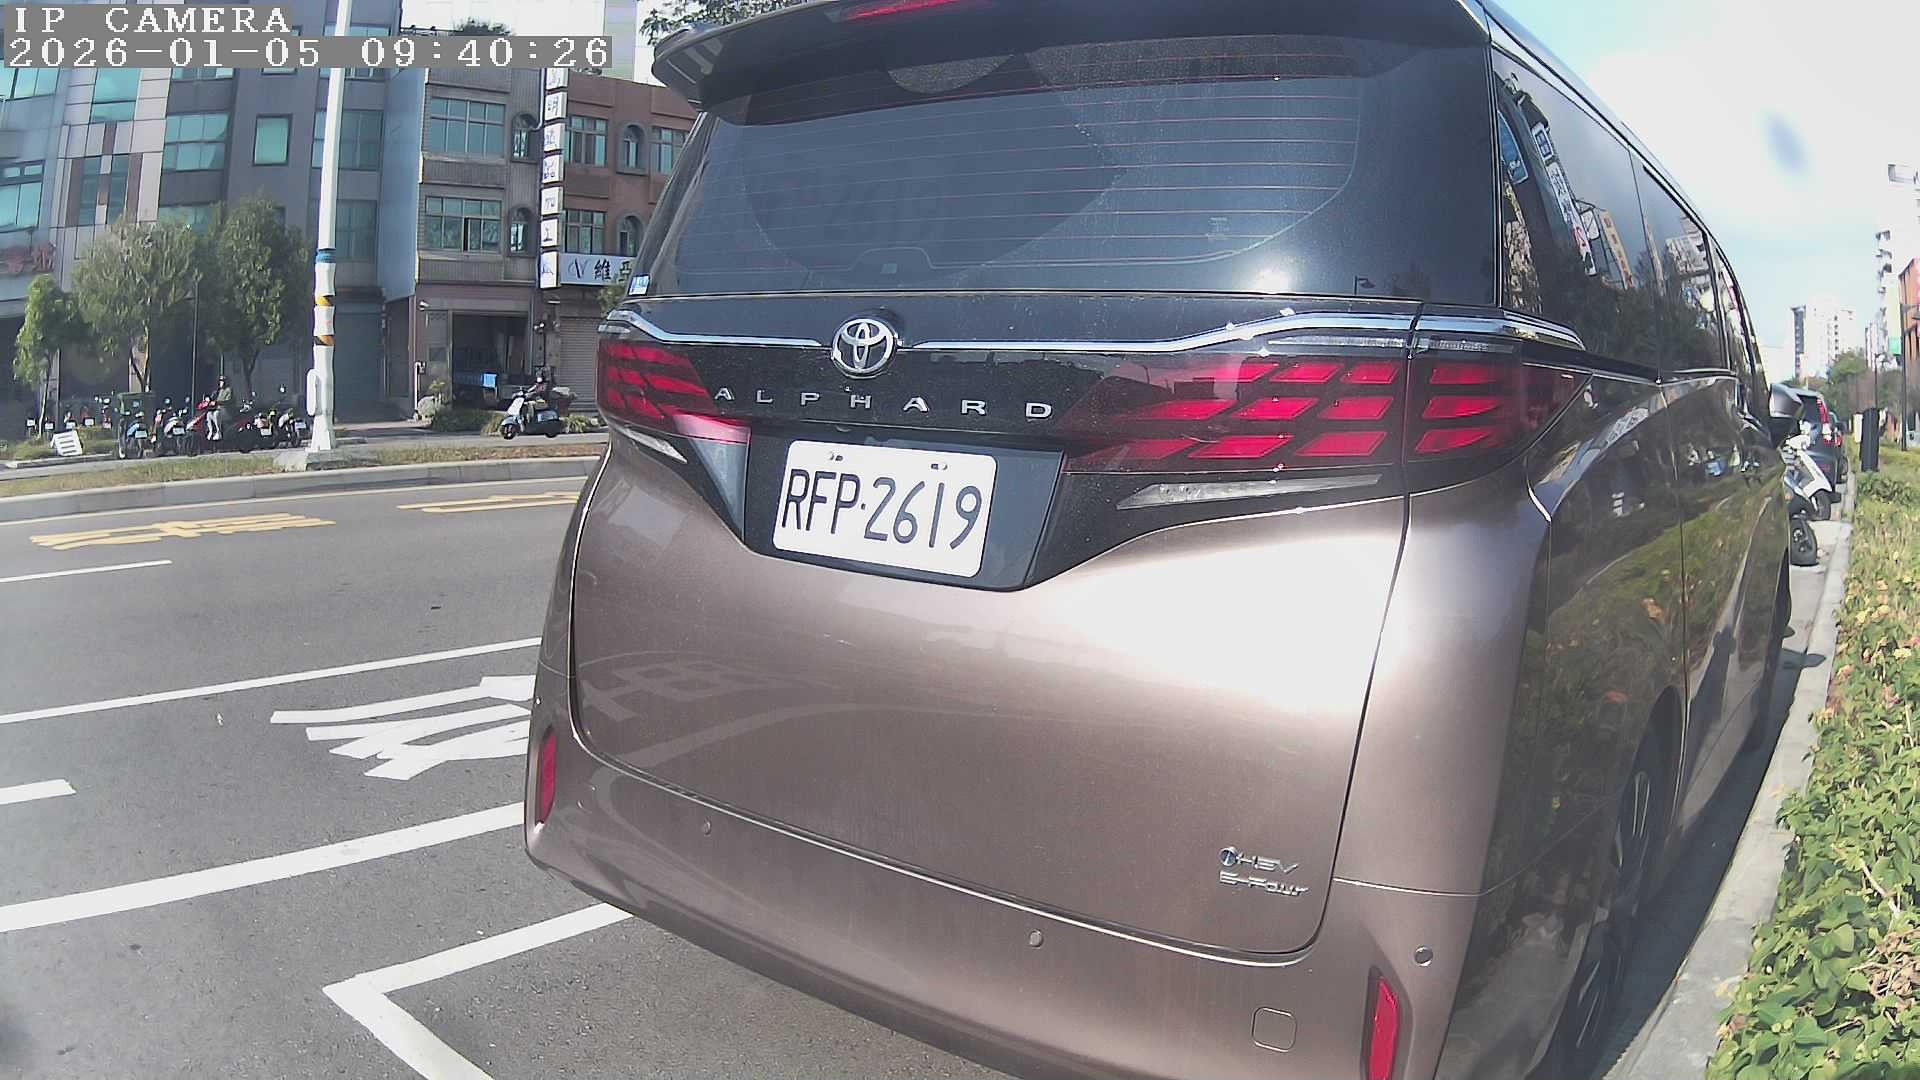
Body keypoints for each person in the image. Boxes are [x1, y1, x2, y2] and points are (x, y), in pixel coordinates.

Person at [211, 375, 235, 443]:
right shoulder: (219, 391)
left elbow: (228, 401)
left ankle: (219, 432)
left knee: (216, 414)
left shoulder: (229, 390)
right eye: (220, 381)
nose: (221, 383)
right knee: (209, 414)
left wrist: (217, 402)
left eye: (222, 381)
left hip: (227, 411)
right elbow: (214, 398)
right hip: (220, 409)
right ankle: (211, 431)